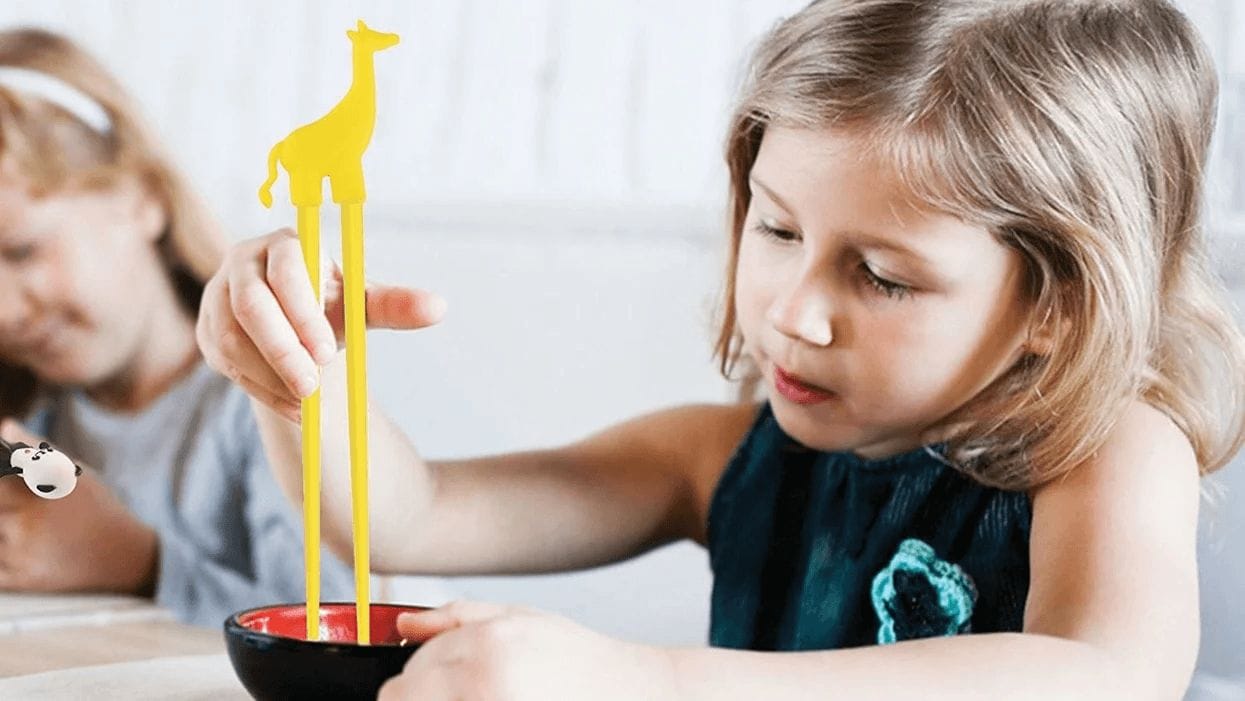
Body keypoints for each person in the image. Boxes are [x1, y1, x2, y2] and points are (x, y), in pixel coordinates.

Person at [197, 0, 1245, 697]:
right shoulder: (723, 459)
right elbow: (405, 516)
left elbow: (1099, 672)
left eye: (881, 275)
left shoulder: (1106, 453)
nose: (794, 309)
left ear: (1058, 300)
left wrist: (643, 677)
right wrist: (295, 376)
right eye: (778, 228)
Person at [0, 28, 364, 628]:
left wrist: (142, 563)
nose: (8, 311)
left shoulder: (268, 402)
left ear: (142, 199)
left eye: (21, 252)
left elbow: (339, 627)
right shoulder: (34, 416)